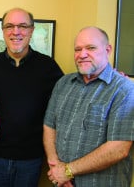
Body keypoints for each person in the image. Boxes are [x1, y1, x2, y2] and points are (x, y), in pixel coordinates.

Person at [0, 8, 64, 187]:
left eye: (23, 26)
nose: (16, 32)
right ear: (3, 31)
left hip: (31, 159)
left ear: (32, 30)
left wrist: (113, 76)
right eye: (9, 26)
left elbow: (68, 97)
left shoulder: (48, 67)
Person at [43, 26, 134, 187]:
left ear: (108, 49)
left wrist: (67, 171)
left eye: (90, 48)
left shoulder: (124, 89)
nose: (82, 54)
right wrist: (55, 166)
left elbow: (118, 148)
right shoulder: (63, 83)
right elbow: (49, 125)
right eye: (77, 49)